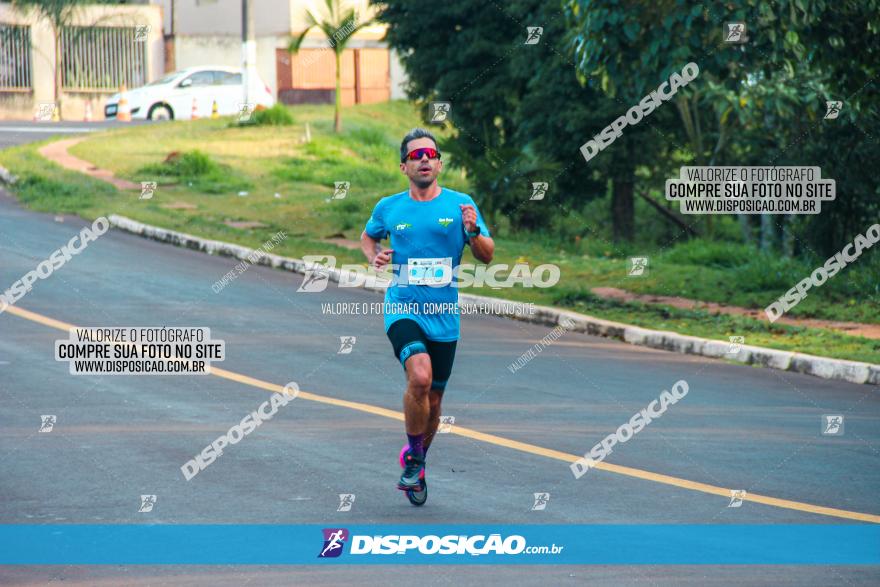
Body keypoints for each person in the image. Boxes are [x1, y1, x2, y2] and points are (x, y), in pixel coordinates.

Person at [360, 128, 494, 504]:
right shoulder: (389, 207)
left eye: (430, 154)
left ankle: (415, 458)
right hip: (402, 304)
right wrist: (375, 257)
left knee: (434, 402)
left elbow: (487, 254)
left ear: (439, 163)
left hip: (444, 314)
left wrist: (474, 232)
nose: (423, 159)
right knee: (420, 377)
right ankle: (415, 459)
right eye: (415, 155)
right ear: (404, 166)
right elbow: (368, 237)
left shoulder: (460, 204)